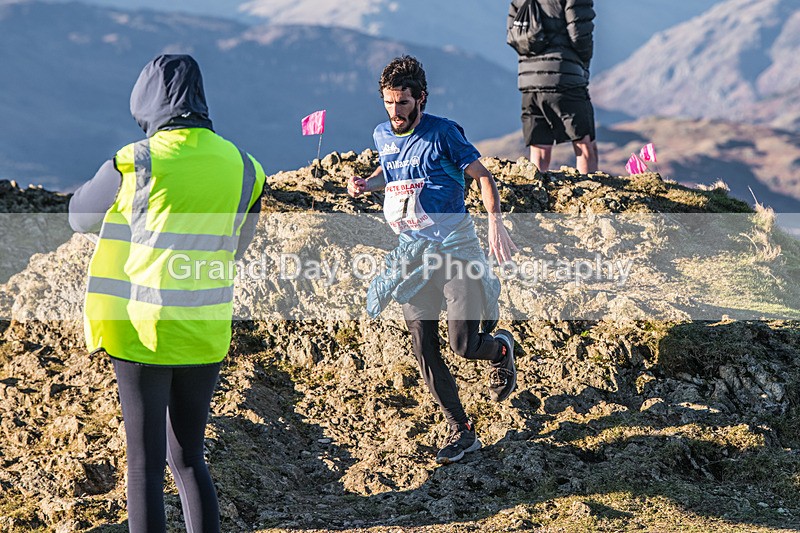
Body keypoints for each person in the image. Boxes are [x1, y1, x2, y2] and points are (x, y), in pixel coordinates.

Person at [69, 54, 266, 533]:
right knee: (190, 459)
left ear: (148, 99)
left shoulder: (135, 160)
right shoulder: (246, 167)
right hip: (206, 330)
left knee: (144, 465)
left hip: (143, 331)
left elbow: (80, 218)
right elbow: (240, 243)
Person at [348, 55, 519, 465]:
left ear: (420, 98)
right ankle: (461, 429)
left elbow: (482, 176)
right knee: (424, 346)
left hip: (455, 251)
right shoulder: (382, 135)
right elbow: (390, 170)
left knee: (463, 345)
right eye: (389, 103)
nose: (395, 112)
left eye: (403, 103)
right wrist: (365, 184)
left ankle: (499, 352)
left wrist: (495, 224)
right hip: (412, 257)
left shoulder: (444, 133)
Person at [509, 0, 598, 174]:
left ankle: (539, 196)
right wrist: (583, 62)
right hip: (564, 78)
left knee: (539, 149)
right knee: (585, 147)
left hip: (530, 82)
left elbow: (514, 34)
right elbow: (580, 35)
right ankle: (592, 192)